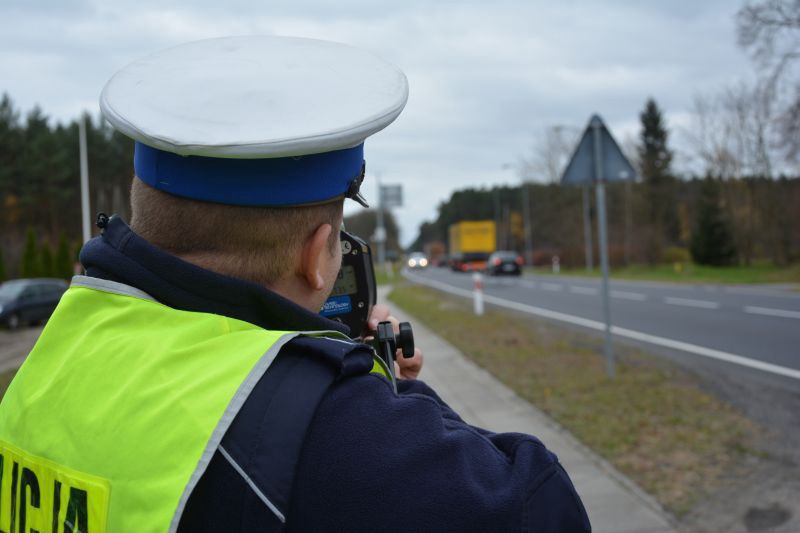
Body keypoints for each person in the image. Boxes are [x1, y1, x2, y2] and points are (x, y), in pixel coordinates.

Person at [0, 36, 590, 532]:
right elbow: (541, 504)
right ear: (316, 257)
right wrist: (386, 390)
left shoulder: (55, 353)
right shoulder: (334, 430)